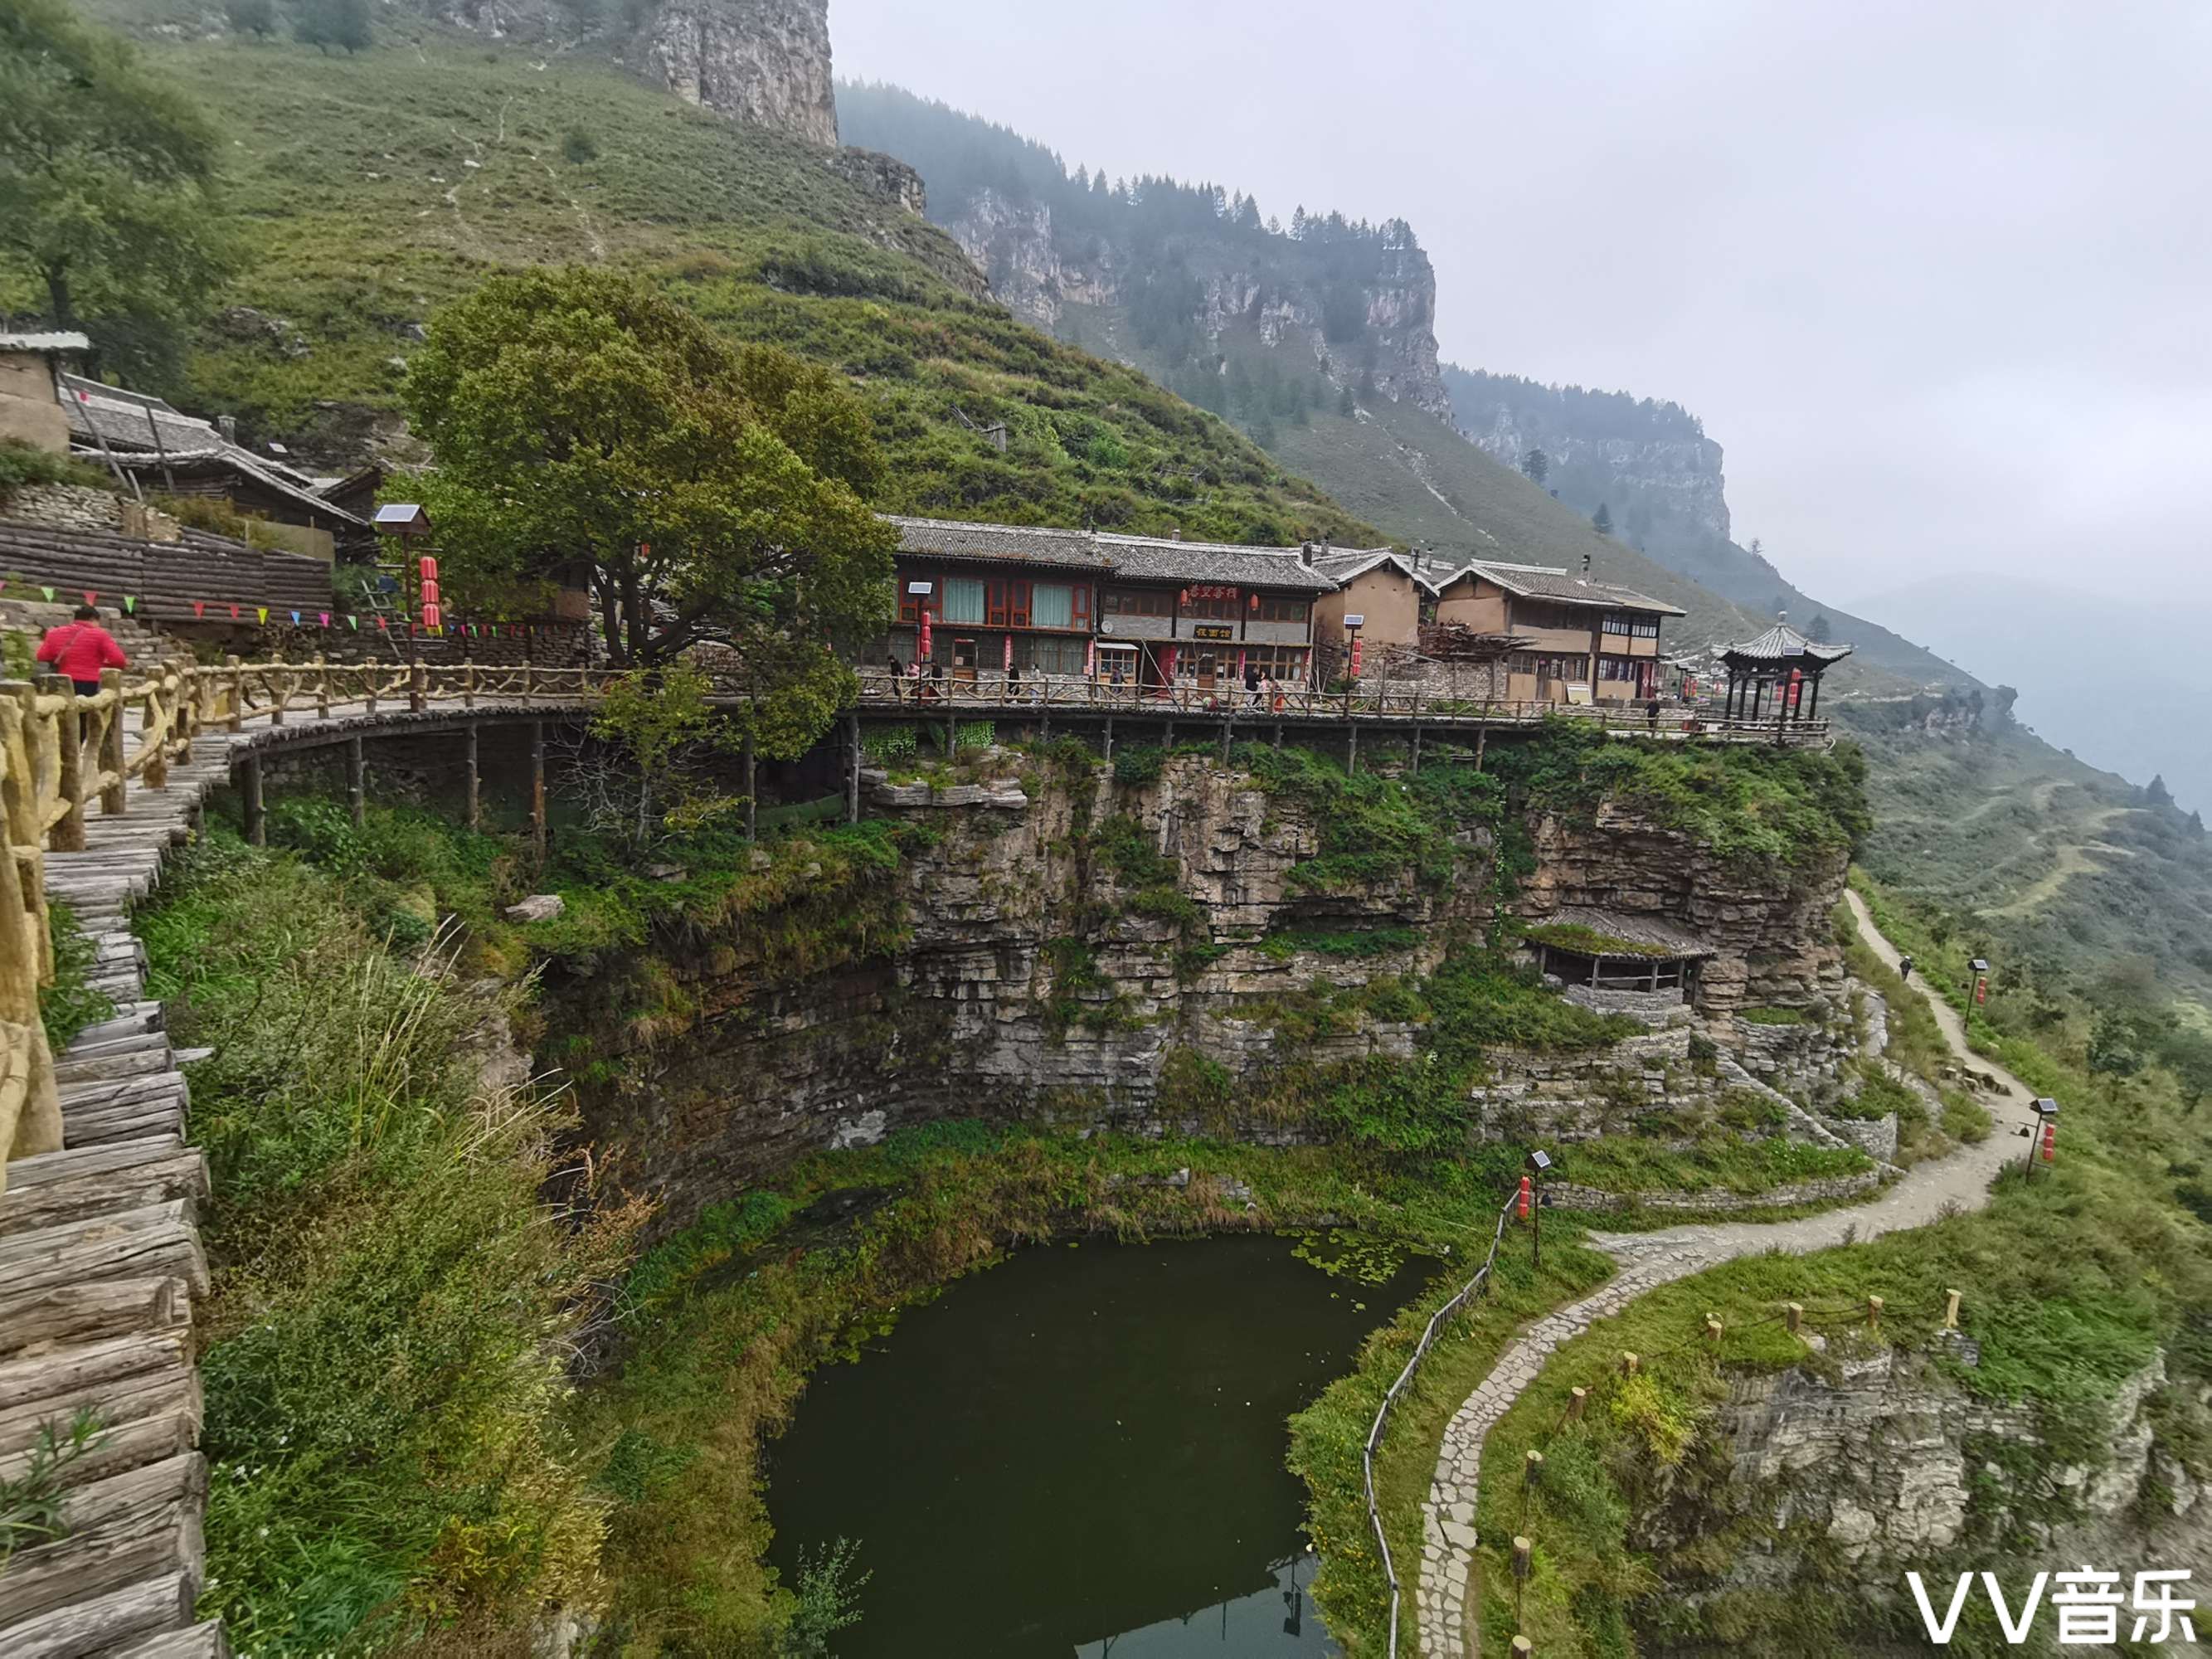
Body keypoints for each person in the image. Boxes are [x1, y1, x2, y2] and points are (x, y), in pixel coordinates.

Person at [37, 604, 129, 697]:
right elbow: (119, 660)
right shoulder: (100, 635)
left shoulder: (54, 633)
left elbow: (42, 656)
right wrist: (104, 665)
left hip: (61, 680)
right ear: (93, 619)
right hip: (90, 682)